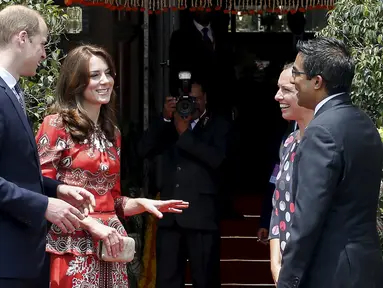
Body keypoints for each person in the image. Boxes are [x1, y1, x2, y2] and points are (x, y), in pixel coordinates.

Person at [35, 44, 189, 287]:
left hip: (111, 246)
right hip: (73, 247)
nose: (105, 81)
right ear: (76, 82)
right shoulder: (56, 125)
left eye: (108, 74)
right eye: (95, 75)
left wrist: (141, 204)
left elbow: (112, 201)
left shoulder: (112, 133)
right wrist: (91, 225)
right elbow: (41, 188)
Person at [0, 5, 96, 288]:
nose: (44, 53)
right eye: (42, 44)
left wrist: (57, 189)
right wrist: (43, 205)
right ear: (22, 38)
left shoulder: (12, 92)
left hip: (22, 258)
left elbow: (13, 169)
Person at [277, 37, 383, 288]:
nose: (293, 80)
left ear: (317, 82)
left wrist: (288, 281)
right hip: (365, 266)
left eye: (296, 73)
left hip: (331, 271)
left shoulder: (321, 131)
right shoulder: (363, 122)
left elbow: (307, 219)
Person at [140, 78, 231, 288]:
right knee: (167, 280)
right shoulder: (169, 125)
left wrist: (185, 134)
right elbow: (143, 150)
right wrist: (164, 118)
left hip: (202, 215)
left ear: (205, 99)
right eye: (187, 100)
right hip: (170, 217)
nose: (192, 105)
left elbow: (218, 159)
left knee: (205, 279)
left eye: (196, 99)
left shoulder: (219, 125)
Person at [266, 63, 313, 283]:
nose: (277, 96)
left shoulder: (327, 143)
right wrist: (276, 266)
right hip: (286, 270)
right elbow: (278, 207)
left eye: (286, 90)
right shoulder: (289, 142)